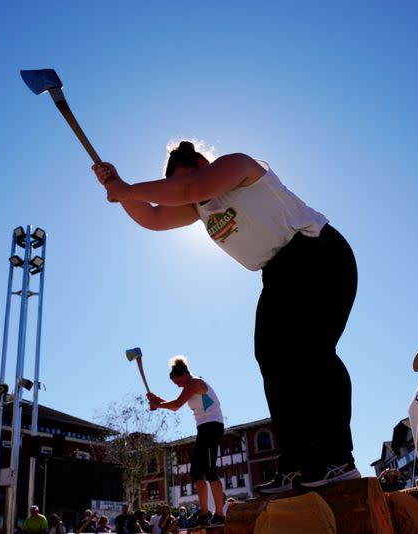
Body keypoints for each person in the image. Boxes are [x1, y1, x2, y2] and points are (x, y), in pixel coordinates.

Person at [94, 141, 359, 493]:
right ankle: (298, 462)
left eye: (191, 177)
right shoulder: (198, 207)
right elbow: (154, 216)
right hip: (277, 273)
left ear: (205, 162)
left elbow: (190, 187)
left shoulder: (238, 166)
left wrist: (126, 189)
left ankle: (337, 458)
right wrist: (118, 186)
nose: (188, 193)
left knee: (311, 352)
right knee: (272, 359)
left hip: (317, 252)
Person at [147, 357, 226, 527]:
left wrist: (157, 404)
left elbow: (176, 405)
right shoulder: (189, 386)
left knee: (210, 470)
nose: (178, 386)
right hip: (203, 429)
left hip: (212, 427)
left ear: (184, 374)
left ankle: (220, 514)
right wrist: (156, 400)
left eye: (178, 382)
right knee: (196, 472)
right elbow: (174, 403)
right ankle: (205, 513)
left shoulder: (195, 383)